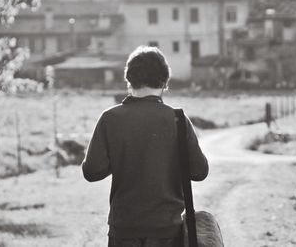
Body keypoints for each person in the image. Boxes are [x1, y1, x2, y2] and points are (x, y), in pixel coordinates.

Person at [81, 46, 209, 247]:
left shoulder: (110, 118)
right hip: (167, 230)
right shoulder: (177, 119)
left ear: (129, 80)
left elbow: (92, 171)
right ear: (165, 81)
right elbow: (200, 171)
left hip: (124, 229)